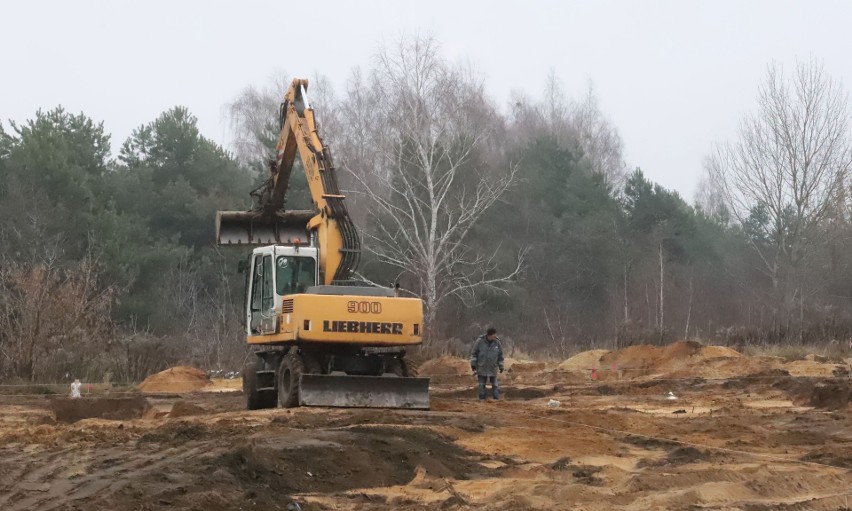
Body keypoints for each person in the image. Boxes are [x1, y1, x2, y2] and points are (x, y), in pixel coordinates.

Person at [470, 327, 504, 401]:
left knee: (495, 385)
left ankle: (496, 399)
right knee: (482, 385)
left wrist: (501, 365)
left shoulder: (497, 343)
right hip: (482, 367)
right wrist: (473, 365)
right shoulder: (479, 342)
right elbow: (474, 354)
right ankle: (482, 399)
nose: (495, 337)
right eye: (494, 335)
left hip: (493, 368)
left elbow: (500, 355)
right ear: (489, 335)